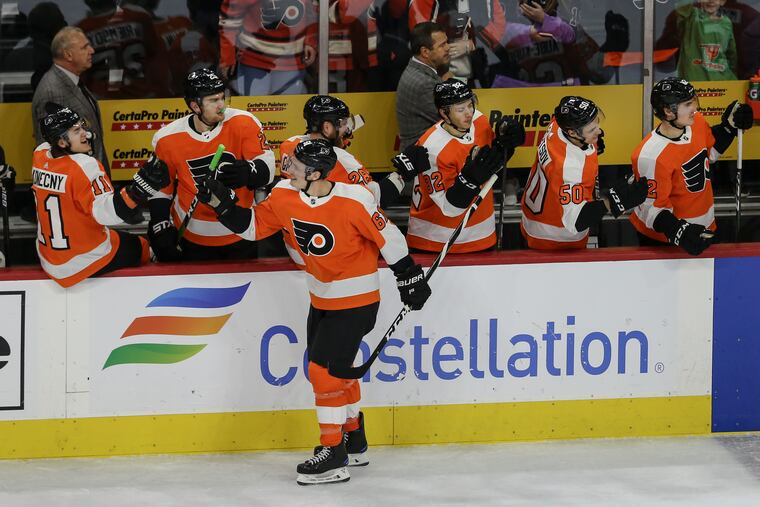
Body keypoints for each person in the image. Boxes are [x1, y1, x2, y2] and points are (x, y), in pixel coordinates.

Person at [195, 138, 432, 485]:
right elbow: (253, 227)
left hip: (357, 301)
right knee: (338, 372)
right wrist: (220, 202)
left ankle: (333, 453)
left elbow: (390, 239)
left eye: (296, 164)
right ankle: (355, 439)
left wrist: (408, 275)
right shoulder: (283, 195)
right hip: (320, 299)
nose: (286, 167)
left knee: (322, 373)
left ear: (317, 173)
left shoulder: (355, 199)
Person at [147, 68, 276, 262]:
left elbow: (268, 165)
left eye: (222, 98)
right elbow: (161, 189)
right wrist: (159, 224)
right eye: (213, 101)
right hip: (192, 236)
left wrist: (249, 172)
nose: (221, 105)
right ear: (195, 106)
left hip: (241, 230)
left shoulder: (244, 122)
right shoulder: (167, 138)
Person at [31, 107, 168, 288]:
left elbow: (48, 144)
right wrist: (137, 191)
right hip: (81, 261)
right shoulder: (85, 166)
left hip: (48, 256)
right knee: (140, 245)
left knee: (113, 235)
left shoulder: (39, 156)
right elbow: (107, 215)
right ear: (62, 143)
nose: (86, 134)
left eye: (82, 127)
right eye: (76, 131)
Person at [631, 77, 753, 255]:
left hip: (705, 227)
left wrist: (729, 127)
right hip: (664, 240)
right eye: (688, 104)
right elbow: (652, 209)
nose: (695, 108)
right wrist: (679, 232)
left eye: (693, 101)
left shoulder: (696, 122)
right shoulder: (650, 156)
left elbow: (709, 153)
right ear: (668, 112)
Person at [407, 79, 524, 253]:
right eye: (461, 109)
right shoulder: (431, 149)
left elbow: (492, 166)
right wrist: (470, 180)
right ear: (444, 113)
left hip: (482, 235)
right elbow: (449, 208)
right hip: (437, 240)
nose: (469, 113)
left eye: (470, 105)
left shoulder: (479, 121)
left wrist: (505, 145)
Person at [520, 96, 648, 249]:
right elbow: (576, 221)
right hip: (555, 237)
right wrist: (614, 201)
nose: (599, 131)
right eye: (592, 129)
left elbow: (565, 103)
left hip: (535, 214)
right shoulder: (569, 168)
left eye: (597, 124)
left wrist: (589, 142)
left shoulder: (557, 125)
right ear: (573, 133)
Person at [279, 94, 427, 210]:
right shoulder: (343, 161)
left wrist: (335, 141)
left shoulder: (288, 145)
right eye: (343, 124)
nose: (347, 129)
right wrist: (401, 173)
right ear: (326, 128)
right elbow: (376, 199)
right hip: (333, 234)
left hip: (296, 229)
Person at [32, 26, 108, 173]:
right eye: (85, 47)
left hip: (90, 176)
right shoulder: (51, 91)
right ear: (68, 55)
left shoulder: (73, 80)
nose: (92, 50)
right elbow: (51, 149)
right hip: (78, 184)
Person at [218, 0, 318, 95]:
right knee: (254, 107)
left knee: (289, 108)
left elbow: (313, 12)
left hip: (292, 60)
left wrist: (310, 40)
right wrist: (228, 58)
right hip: (254, 59)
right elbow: (229, 21)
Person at [408, 0, 506, 85]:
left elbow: (498, 34)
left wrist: (471, 44)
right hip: (438, 73)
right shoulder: (423, 2)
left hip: (478, 72)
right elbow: (421, 40)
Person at [396, 21, 451, 151]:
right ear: (425, 52)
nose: (448, 47)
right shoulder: (424, 83)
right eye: (442, 45)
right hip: (423, 160)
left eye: (447, 42)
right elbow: (455, 119)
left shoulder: (416, 68)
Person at [655, 0, 737, 81]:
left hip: (722, 82)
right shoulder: (691, 16)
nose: (711, 1)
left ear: (722, 1)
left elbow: (731, 55)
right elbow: (682, 6)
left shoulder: (727, 22)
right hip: (694, 82)